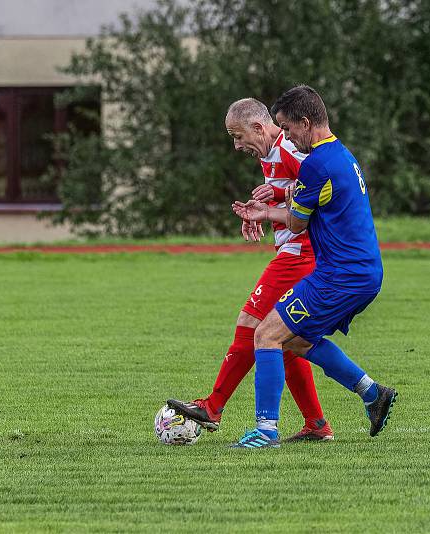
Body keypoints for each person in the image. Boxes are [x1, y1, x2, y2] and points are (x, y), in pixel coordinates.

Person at [229, 85, 397, 448]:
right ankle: (374, 394)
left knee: (266, 334)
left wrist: (269, 210)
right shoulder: (341, 154)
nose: (286, 137)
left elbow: (296, 224)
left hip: (340, 275)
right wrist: (272, 208)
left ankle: (265, 431)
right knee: (298, 342)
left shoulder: (316, 164)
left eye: (288, 129)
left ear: (305, 123)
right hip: (361, 272)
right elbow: (301, 214)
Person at [167, 98, 334, 442]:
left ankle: (212, 407)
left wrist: (275, 193)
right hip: (297, 250)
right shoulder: (269, 153)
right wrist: (262, 209)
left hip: (301, 253)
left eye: (238, 136)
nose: (237, 145)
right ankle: (318, 424)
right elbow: (292, 192)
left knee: (251, 321)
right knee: (284, 340)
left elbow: (323, 185)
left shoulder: (289, 147)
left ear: (259, 128)